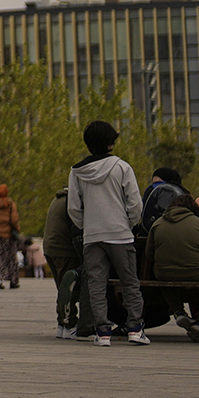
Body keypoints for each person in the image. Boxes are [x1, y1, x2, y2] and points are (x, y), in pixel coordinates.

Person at [68, 120, 147, 346]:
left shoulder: (77, 171)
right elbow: (135, 203)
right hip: (120, 233)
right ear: (111, 144)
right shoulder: (122, 167)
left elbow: (73, 207)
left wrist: (86, 225)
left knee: (96, 283)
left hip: (92, 235)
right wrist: (129, 222)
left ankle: (102, 331)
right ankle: (134, 328)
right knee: (129, 281)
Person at [149, 188, 199, 340]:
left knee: (165, 274)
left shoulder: (157, 224)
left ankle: (178, 311)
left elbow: (149, 254)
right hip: (195, 272)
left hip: (163, 273)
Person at [41, 187, 82, 340]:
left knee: (61, 286)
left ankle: (61, 324)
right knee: (68, 288)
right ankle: (69, 324)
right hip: (63, 249)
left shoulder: (58, 199)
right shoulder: (72, 202)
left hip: (50, 247)